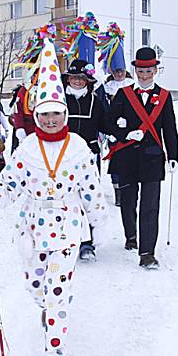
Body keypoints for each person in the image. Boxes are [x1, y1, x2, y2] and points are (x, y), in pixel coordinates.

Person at [0, 40, 106, 356]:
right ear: (37, 115)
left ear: (64, 114)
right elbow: (10, 184)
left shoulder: (77, 148)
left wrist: (96, 216)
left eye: (56, 114)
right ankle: (46, 308)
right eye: (44, 114)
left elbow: (91, 187)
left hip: (66, 227)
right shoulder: (27, 148)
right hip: (32, 226)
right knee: (37, 287)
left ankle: (55, 346)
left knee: (58, 288)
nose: (50, 119)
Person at [106, 46, 178, 269]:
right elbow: (109, 122)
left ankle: (147, 252)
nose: (144, 75)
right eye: (140, 71)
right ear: (135, 71)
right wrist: (125, 132)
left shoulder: (164, 96)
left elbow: (170, 128)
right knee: (128, 203)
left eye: (148, 71)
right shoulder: (123, 94)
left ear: (155, 71)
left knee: (150, 206)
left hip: (153, 158)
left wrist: (173, 155)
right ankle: (131, 236)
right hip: (126, 156)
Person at [64, 59, 107, 262]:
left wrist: (121, 130)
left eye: (81, 78)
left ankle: (86, 243)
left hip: (88, 155)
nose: (77, 82)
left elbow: (107, 123)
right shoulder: (60, 99)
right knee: (65, 198)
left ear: (87, 80)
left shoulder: (96, 100)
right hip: (62, 157)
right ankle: (64, 240)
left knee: (87, 199)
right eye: (74, 78)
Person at [97, 23, 133, 207]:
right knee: (116, 164)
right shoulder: (104, 88)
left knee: (131, 162)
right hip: (112, 133)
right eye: (116, 70)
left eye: (121, 70)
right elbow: (101, 108)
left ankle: (129, 191)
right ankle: (118, 192)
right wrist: (107, 128)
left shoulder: (133, 85)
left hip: (131, 131)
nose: (119, 74)